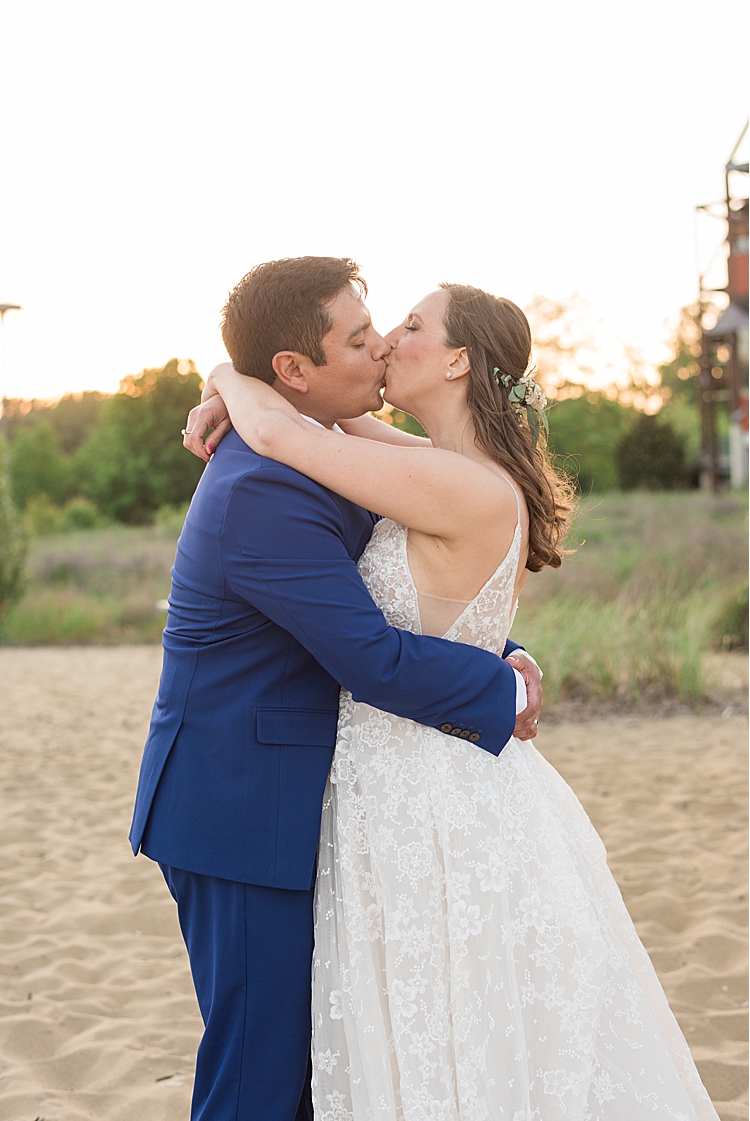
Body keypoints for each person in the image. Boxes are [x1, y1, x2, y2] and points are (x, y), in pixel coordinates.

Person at [196, 281, 719, 1120]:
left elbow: (280, 429)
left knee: (446, 1025)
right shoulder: (433, 465)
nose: (387, 340)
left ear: (457, 359)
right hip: (400, 775)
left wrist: (227, 378)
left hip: (426, 786)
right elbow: (312, 421)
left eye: (408, 326)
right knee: (422, 1023)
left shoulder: (460, 486)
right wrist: (232, 378)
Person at [132, 257, 541, 1121]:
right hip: (239, 812)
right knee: (260, 1078)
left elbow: (396, 583)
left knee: (318, 1071)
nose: (381, 346)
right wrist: (497, 692)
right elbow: (370, 656)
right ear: (293, 371)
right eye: (358, 339)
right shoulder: (263, 488)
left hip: (303, 800)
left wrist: (494, 644)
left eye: (387, 328)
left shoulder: (328, 447)